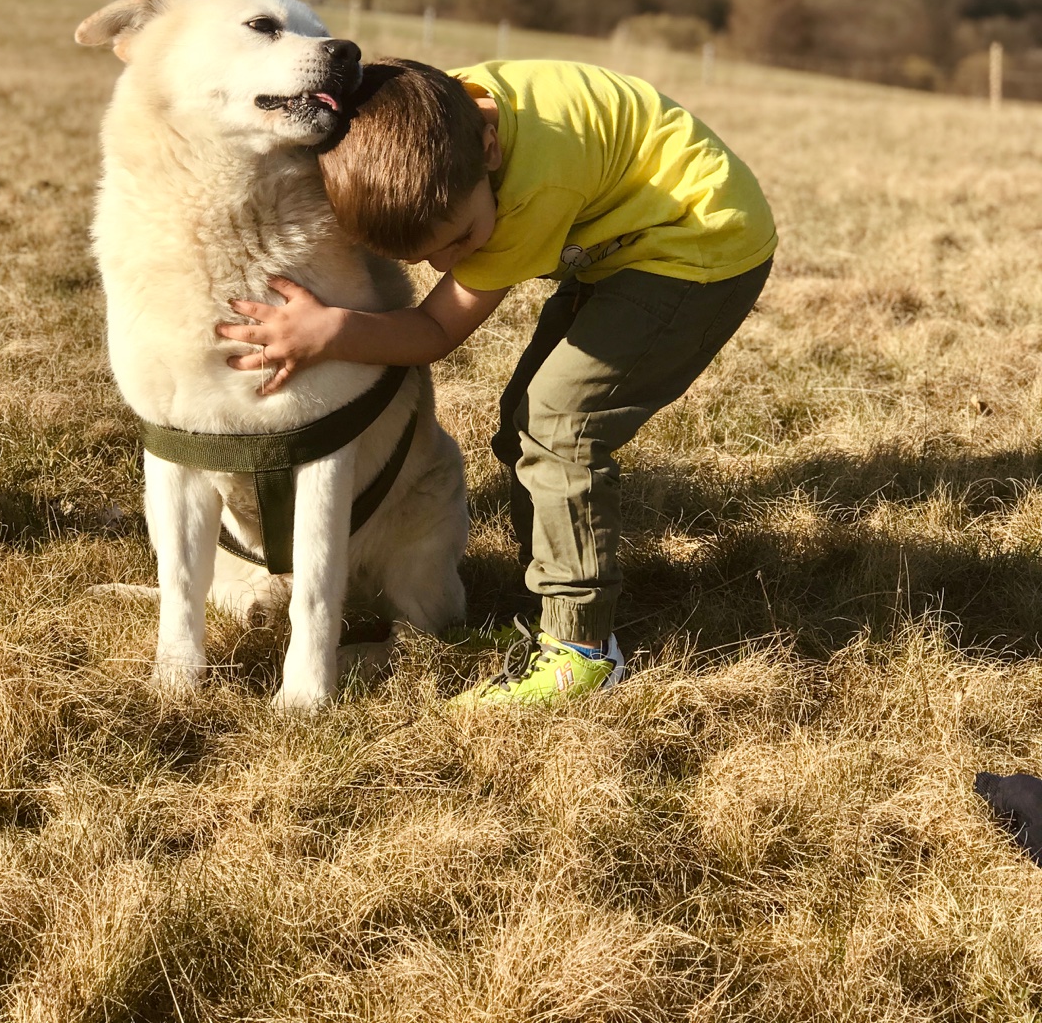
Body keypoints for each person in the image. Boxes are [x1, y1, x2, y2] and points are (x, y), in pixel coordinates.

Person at [216, 58, 777, 707]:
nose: (445, 263)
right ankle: (550, 612)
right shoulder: (422, 117)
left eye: (457, 240)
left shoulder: (532, 192)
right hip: (630, 238)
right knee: (523, 424)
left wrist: (328, 331)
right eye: (422, 256)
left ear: (489, 151)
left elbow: (435, 331)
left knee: (560, 428)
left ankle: (581, 652)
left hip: (702, 244)